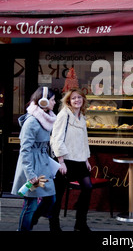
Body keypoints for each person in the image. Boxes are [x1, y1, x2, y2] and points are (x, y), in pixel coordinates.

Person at [11, 86, 57, 231]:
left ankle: (32, 221)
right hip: (32, 167)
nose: (55, 102)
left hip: (43, 164)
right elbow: (25, 150)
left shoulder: (45, 120)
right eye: (52, 100)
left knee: (51, 199)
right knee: (30, 204)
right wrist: (30, 175)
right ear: (43, 102)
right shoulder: (32, 122)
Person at [50, 88, 92, 231]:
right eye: (73, 98)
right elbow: (56, 138)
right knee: (58, 194)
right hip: (65, 161)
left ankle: (80, 223)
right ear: (69, 100)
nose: (77, 100)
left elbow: (84, 141)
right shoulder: (64, 115)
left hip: (80, 160)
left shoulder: (82, 116)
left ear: (83, 100)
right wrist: (60, 161)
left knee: (88, 188)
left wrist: (86, 159)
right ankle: (54, 226)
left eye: (79, 98)